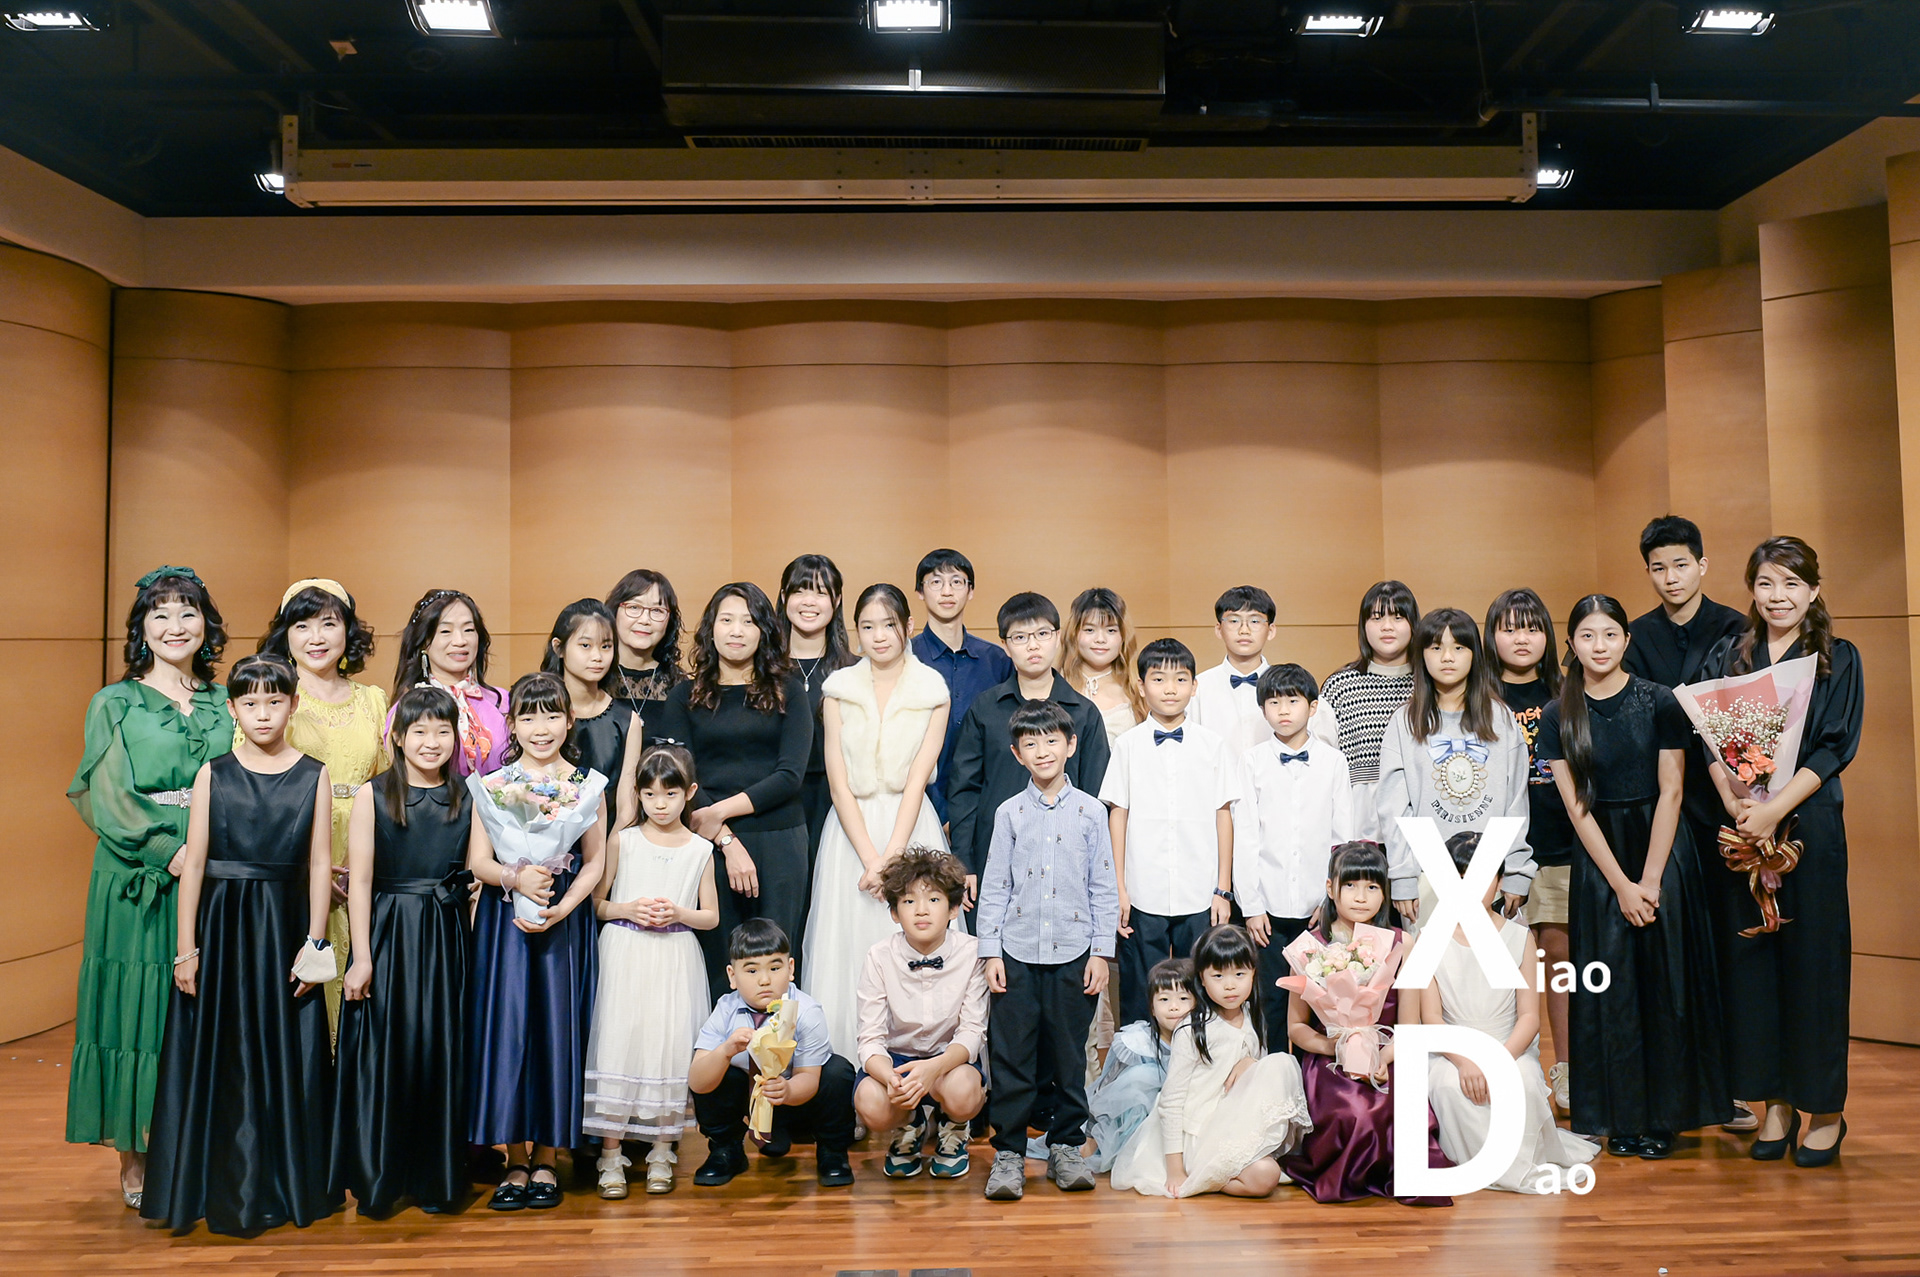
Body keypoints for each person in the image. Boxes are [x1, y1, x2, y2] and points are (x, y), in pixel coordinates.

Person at [142, 655, 335, 1235]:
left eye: (275, 702)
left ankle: (281, 1184)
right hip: (222, 928)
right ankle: (213, 1184)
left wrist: (316, 942)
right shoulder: (213, 773)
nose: (263, 713)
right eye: (250, 703)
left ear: (294, 705)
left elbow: (320, 862)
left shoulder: (315, 774)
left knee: (282, 1052)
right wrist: (186, 948)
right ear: (232, 709)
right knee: (222, 1054)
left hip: (283, 925)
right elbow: (195, 863)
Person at [1539, 595, 1731, 1160]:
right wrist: (1621, 886)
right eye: (1587, 636)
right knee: (1611, 990)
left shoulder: (1660, 700)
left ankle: (1665, 1117)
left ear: (1626, 640)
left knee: (1665, 986)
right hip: (1601, 861)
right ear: (1571, 644)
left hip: (1662, 851)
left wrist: (1648, 880)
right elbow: (1578, 809)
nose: (1599, 646)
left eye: (1610, 635)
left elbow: (1672, 791)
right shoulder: (1557, 714)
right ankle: (1620, 1117)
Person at [67, 566, 235, 1210]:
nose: (174, 626)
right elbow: (107, 795)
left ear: (206, 625)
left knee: (204, 1009)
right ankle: (135, 1158)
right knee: (139, 1009)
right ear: (141, 628)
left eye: (187, 612)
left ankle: (197, 1149)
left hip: (216, 871)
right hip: (140, 872)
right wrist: (171, 851)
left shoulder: (226, 700)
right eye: (159, 614)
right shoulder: (115, 702)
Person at [1700, 537, 1861, 1167]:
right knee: (1755, 970)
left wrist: (1773, 809)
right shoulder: (1729, 654)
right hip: (1744, 828)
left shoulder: (1838, 658)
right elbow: (1709, 738)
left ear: (1813, 590)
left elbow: (1834, 747)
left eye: (1792, 584)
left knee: (1814, 969)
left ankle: (1825, 1111)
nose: (1778, 596)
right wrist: (1737, 802)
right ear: (1752, 588)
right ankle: (1776, 1105)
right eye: (1767, 583)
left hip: (1807, 827)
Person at [1625, 516, 1762, 1134]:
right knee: (1670, 955)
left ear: (1702, 565)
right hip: (1657, 812)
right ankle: (1672, 1091)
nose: (1671, 577)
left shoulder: (1737, 629)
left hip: (1727, 809)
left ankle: (1732, 1088)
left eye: (1681, 564)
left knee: (1730, 949)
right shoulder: (1634, 636)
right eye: (1659, 568)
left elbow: (1750, 721)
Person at [333, 686, 479, 1217]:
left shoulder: (470, 796)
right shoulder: (373, 795)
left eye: (442, 731)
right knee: (386, 1056)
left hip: (445, 936)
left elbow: (474, 879)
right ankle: (381, 1178)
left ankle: (437, 1179)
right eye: (419, 731)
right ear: (397, 737)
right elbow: (360, 881)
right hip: (390, 933)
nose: (431, 741)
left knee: (440, 1054)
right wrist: (362, 957)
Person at [466, 672, 609, 1211]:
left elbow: (595, 861)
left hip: (563, 918)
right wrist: (516, 878)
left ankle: (548, 1155)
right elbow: (479, 861)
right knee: (507, 1031)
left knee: (555, 1029)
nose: (540, 727)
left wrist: (562, 910)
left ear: (569, 721)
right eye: (528, 716)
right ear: (513, 723)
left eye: (551, 715)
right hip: (504, 918)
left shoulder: (587, 784)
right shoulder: (492, 784)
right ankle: (514, 1157)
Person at [976, 700, 1120, 1202]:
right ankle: (1009, 1154)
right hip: (1016, 953)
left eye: (1052, 740)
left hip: (1074, 954)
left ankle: (1065, 1146)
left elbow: (1103, 886)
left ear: (1071, 745)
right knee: (1012, 1058)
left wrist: (1100, 952)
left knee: (1068, 1058)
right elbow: (995, 885)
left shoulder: (1092, 812)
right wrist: (990, 952)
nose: (1042, 751)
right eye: (1031, 743)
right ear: (1017, 753)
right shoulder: (1008, 813)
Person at [803, 583, 952, 1057]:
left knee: (914, 941)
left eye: (889, 625)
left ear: (908, 625)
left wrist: (892, 859)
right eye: (867, 627)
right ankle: (850, 1070)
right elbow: (837, 781)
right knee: (847, 946)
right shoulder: (838, 690)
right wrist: (871, 858)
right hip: (851, 833)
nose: (879, 636)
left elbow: (918, 779)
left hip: (912, 827)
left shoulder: (933, 690)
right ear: (856, 632)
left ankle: (923, 1068)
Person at [649, 582, 814, 988]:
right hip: (708, 845)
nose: (736, 630)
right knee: (719, 961)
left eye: (748, 621)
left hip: (779, 840)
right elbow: (681, 775)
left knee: (776, 963)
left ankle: (779, 1033)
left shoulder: (790, 691)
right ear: (711, 628)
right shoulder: (684, 696)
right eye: (726, 620)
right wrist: (725, 839)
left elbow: (790, 775)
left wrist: (719, 812)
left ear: (764, 631)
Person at [1420, 831, 1599, 1193]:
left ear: (1500, 882)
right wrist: (1467, 1061)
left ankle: (1516, 1164)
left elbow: (1530, 1016)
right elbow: (1432, 1019)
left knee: (1523, 1082)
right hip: (1452, 1053)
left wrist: (1497, 1060)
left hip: (1508, 1046)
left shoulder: (1520, 938)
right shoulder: (1428, 937)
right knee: (1449, 1086)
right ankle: (1475, 1166)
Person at [1281, 841, 1452, 1205]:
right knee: (1354, 1111)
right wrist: (1334, 1047)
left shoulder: (1403, 943)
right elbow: (1296, 1027)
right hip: (1329, 1059)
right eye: (1351, 885)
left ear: (1385, 892)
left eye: (1372, 887)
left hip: (1388, 1054)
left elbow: (1409, 1024)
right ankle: (1341, 1175)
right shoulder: (1309, 947)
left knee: (1397, 1109)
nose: (1361, 897)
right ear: (1331, 889)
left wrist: (1381, 1058)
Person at [583, 744, 718, 1198]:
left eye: (670, 795)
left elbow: (711, 916)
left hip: (675, 956)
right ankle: (610, 1155)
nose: (660, 805)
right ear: (638, 795)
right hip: (624, 951)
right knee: (618, 1043)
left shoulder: (700, 849)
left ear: (690, 793)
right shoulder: (623, 840)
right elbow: (596, 903)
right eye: (650, 795)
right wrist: (628, 909)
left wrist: (679, 912)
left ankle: (663, 1150)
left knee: (669, 1045)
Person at [257, 578, 389, 1031]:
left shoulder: (374, 699)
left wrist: (363, 862)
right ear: (285, 635)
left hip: (365, 851)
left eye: (329, 624)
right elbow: (257, 789)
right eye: (302, 625)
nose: (316, 637)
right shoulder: (275, 699)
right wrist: (310, 867)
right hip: (293, 850)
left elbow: (387, 783)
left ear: (348, 630)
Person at [1111, 925, 1310, 1199]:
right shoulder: (1193, 1029)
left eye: (1239, 974)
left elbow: (1257, 1083)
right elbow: (1171, 1100)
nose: (1230, 985)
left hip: (1232, 1126)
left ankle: (1228, 1168)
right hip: (1197, 1134)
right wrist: (1175, 1169)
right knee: (1265, 1176)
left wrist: (1250, 1062)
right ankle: (1202, 1176)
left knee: (1281, 1064)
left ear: (1253, 973)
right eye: (1218, 976)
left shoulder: (1251, 1014)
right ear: (1202, 979)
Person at [1101, 638, 1239, 1025]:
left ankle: (1201, 1055)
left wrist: (1223, 887)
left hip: (1200, 889)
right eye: (1158, 679)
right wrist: (1120, 887)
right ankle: (1142, 1061)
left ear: (1194, 686)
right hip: (1142, 890)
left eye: (1180, 679)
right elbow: (1118, 814)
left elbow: (1223, 814)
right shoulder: (1128, 745)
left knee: (1204, 987)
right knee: (1140, 990)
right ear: (1141, 686)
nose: (1170, 689)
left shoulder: (1213, 745)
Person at [947, 592, 1112, 912]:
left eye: (1042, 634)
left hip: (1067, 863)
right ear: (1006, 646)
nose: (1033, 646)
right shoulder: (985, 708)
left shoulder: (1084, 713)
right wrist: (964, 862)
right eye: (1020, 637)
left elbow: (1096, 795)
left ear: (1058, 637)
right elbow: (964, 790)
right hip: (995, 859)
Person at [1484, 587, 1579, 1112]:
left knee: (1560, 960)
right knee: (1500, 970)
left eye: (1532, 627)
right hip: (1497, 856)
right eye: (1510, 628)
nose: (1521, 638)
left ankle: (1566, 1069)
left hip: (1561, 846)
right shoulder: (1479, 698)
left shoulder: (1568, 693)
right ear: (1491, 636)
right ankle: (1510, 1073)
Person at [1377, 608, 1533, 924]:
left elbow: (1516, 800)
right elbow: (1394, 809)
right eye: (1436, 647)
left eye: (1459, 647)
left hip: (1492, 871)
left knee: (1492, 956)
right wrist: (1403, 875)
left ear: (1475, 654)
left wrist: (1517, 871)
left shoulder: (1500, 718)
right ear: (1421, 655)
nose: (1447, 657)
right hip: (1427, 872)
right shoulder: (1403, 722)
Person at [1232, 662, 1357, 1047]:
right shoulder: (1252, 761)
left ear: (1313, 707)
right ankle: (1273, 1074)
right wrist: (1251, 906)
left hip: (1317, 906)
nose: (1283, 710)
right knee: (1269, 999)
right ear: (1262, 710)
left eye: (1292, 701)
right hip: (1266, 908)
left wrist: (1330, 899)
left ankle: (1312, 1076)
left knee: (1318, 999)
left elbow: (1343, 839)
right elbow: (1246, 836)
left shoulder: (1334, 762)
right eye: (1273, 702)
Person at [688, 920, 857, 1189]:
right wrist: (725, 1051)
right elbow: (697, 1081)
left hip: (797, 1100)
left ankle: (832, 1151)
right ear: (732, 976)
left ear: (791, 969)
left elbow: (809, 1077)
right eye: (751, 970)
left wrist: (788, 1091)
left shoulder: (807, 1011)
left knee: (838, 1071)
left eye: (775, 968)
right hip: (749, 1100)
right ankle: (725, 1149)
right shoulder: (725, 1009)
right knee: (714, 1067)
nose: (764, 980)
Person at [854, 847, 989, 1180]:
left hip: (949, 1062)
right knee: (869, 1101)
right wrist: (890, 1077)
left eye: (934, 899)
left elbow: (972, 1031)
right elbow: (870, 1038)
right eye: (909, 901)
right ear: (894, 913)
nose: (921, 910)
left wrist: (934, 1068)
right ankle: (909, 1125)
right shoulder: (879, 956)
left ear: (953, 908)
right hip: (898, 1062)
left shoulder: (973, 953)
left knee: (963, 1092)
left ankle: (953, 1127)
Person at [910, 549, 1014, 825]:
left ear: (970, 591)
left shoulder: (998, 660)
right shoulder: (906, 658)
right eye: (936, 582)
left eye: (956, 581)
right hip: (917, 807)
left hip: (985, 809)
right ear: (920, 592)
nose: (947, 591)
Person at [1311, 580, 1420, 840]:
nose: (1387, 626)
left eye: (1398, 617)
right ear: (1363, 625)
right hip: (1358, 828)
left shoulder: (1429, 685)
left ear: (1413, 624)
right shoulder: (1340, 685)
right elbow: (1320, 760)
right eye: (1377, 617)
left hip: (1420, 824)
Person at [1073, 957, 1193, 1173]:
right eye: (1164, 999)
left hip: (1183, 1122)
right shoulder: (1137, 1043)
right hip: (1135, 1127)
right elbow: (1104, 1091)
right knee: (1141, 1078)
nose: (1174, 1007)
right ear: (1152, 1008)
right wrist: (1090, 1141)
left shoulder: (1202, 1041)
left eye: (1183, 998)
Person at [776, 554, 857, 862]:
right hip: (778, 803)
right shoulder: (763, 671)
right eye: (799, 591)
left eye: (821, 592)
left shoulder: (856, 672)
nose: (809, 601)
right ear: (784, 596)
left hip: (839, 801)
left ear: (836, 601)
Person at [542, 598, 643, 830]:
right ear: (558, 648)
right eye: (585, 646)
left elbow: (627, 808)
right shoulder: (540, 712)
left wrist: (610, 848)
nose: (597, 656)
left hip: (608, 838)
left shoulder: (626, 721)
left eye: (606, 646)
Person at [390, 589, 509, 778]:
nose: (460, 641)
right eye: (445, 631)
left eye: (469, 630)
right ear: (423, 642)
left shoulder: (502, 701)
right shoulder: (407, 707)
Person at [1188, 586, 1276, 757]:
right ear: (1218, 629)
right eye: (1234, 621)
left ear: (1271, 631)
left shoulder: (1291, 686)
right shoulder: (1197, 688)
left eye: (1255, 621)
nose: (1244, 630)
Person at [1062, 586, 1147, 747]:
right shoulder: (1056, 685)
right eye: (1089, 630)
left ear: (1123, 636)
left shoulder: (1139, 689)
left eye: (1111, 630)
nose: (1100, 639)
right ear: (1074, 634)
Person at [605, 568, 686, 720]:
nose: (644, 620)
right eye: (634, 607)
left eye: (657, 610)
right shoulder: (595, 678)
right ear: (614, 612)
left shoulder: (679, 686)